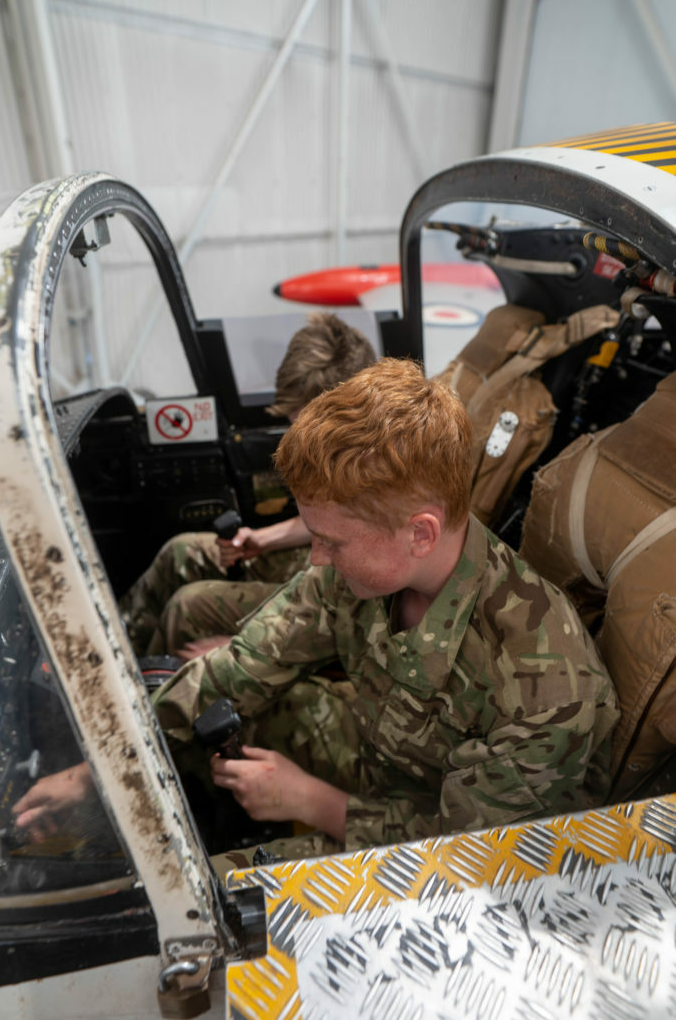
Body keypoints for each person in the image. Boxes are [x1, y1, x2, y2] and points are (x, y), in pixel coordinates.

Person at [149, 357, 619, 876]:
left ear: (421, 533)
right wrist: (111, 765)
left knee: (210, 889)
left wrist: (313, 803)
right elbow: (246, 664)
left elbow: (470, 855)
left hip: (437, 846)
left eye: (332, 542)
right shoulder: (362, 572)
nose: (316, 558)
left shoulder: (546, 688)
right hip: (376, 750)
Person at [120, 312, 376, 658]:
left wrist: (247, 648)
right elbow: (329, 524)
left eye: (308, 423)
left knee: (187, 606)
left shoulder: (379, 467)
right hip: (315, 568)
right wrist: (261, 540)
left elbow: (346, 603)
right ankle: (117, 649)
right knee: (180, 553)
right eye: (293, 421)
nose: (298, 433)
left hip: (335, 596)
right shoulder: (334, 447)